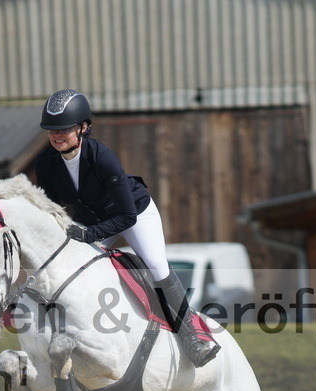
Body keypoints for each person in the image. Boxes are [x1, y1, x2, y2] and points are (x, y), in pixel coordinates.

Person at [33, 89, 220, 368]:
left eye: (64, 129)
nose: (57, 135)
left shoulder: (101, 157)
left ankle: (192, 335)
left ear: (83, 127)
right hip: (92, 220)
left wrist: (90, 234)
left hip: (134, 213)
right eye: (51, 130)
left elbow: (127, 216)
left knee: (156, 266)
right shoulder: (46, 162)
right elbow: (49, 208)